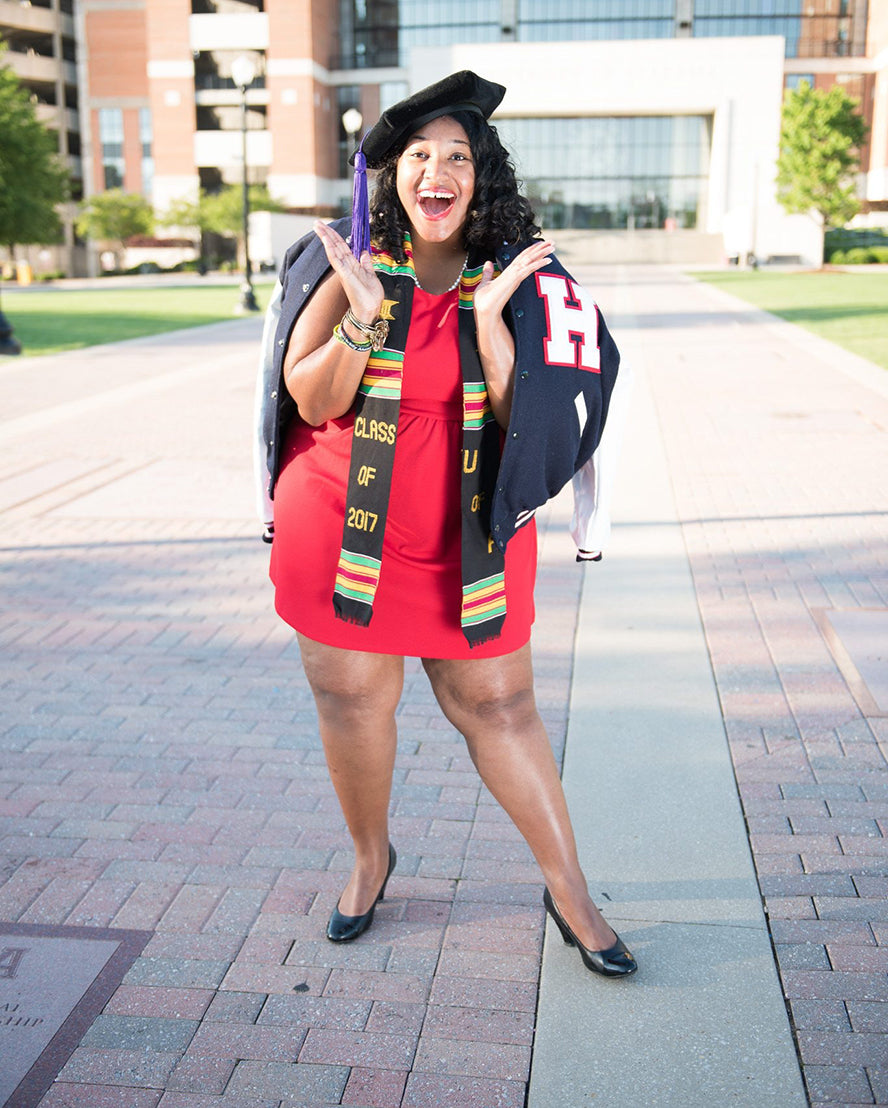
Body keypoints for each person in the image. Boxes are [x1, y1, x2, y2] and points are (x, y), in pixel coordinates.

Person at [256, 71, 635, 977]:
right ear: (391, 175)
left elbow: (535, 425)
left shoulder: (523, 281)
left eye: (457, 155)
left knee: (501, 706)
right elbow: (310, 400)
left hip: (468, 534)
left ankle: (569, 887)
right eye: (419, 153)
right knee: (353, 700)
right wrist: (361, 323)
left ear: (481, 175)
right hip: (345, 524)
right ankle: (369, 858)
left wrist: (497, 335)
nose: (438, 169)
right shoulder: (354, 264)